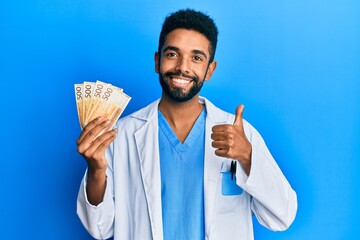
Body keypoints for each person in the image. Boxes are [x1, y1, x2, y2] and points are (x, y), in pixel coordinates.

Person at [76, 9, 297, 240]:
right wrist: (96, 170)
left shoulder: (239, 134)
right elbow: (99, 228)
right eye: (172, 54)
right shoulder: (120, 135)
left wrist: (248, 157)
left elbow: (282, 216)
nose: (183, 67)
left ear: (209, 70)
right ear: (157, 60)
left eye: (196, 58)